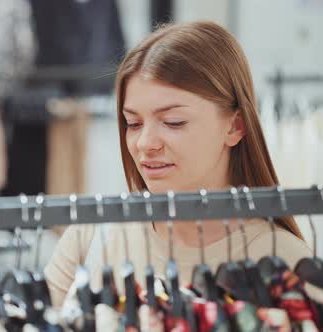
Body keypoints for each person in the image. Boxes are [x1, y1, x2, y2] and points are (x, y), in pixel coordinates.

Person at [44, 21, 313, 308]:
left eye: (174, 122)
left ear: (235, 126)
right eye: (132, 123)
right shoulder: (90, 238)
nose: (145, 143)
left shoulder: (286, 264)